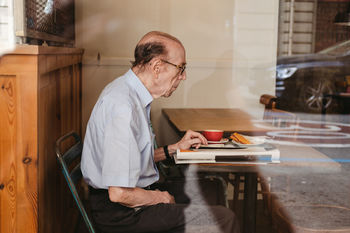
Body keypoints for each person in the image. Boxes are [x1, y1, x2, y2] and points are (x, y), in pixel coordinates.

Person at [81, 31, 240, 233]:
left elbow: (130, 158)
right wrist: (160, 197)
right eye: (181, 68)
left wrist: (174, 149)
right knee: (224, 219)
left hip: (131, 197)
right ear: (157, 67)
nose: (183, 76)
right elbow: (119, 193)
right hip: (121, 214)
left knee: (213, 190)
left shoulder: (130, 94)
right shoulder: (123, 107)